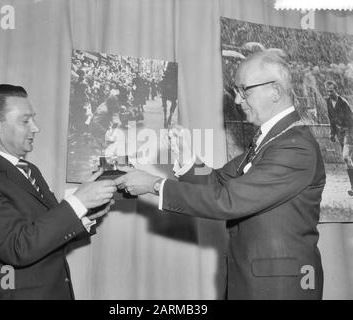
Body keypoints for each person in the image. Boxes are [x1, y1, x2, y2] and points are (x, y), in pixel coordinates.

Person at [115, 51, 326, 299]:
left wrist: (154, 185)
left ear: (275, 92)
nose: (237, 100)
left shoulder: (294, 146)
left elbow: (228, 200)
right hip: (254, 278)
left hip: (281, 287)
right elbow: (218, 181)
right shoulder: (272, 138)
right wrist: (190, 162)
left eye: (244, 91)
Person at [0, 84, 117, 300]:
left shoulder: (28, 170)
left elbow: (43, 232)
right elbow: (17, 247)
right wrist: (77, 203)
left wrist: (86, 215)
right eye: (25, 121)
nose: (35, 127)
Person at [324, 80, 353, 196]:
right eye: (327, 91)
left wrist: (350, 135)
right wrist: (332, 133)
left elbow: (351, 120)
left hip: (348, 132)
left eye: (331, 91)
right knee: (348, 161)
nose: (329, 93)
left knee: (346, 157)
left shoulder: (343, 103)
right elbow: (331, 118)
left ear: (336, 90)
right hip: (340, 133)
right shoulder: (328, 102)